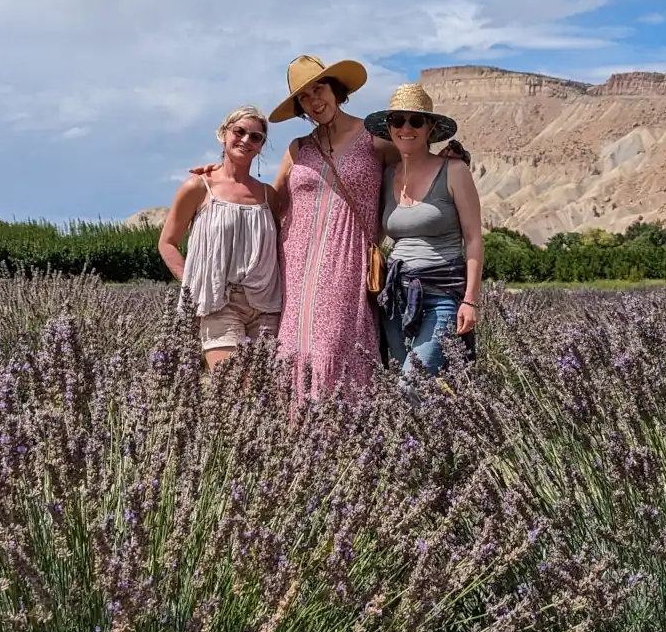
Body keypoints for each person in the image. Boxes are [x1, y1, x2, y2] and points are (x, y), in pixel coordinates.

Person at [190, 55, 468, 398]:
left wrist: (452, 157)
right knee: (292, 351)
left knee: (336, 343)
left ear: (336, 89)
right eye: (304, 96)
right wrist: (222, 176)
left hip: (347, 263)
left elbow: (418, 166)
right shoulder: (298, 148)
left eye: (318, 89)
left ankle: (345, 436)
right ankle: (296, 440)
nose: (314, 101)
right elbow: (269, 203)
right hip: (294, 265)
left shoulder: (376, 142)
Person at [366, 83, 483, 381]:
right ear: (389, 128)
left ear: (430, 127)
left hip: (441, 296)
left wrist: (470, 300)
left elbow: (473, 239)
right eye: (398, 121)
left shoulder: (454, 172)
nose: (406, 128)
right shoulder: (389, 175)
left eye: (416, 121)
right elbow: (377, 234)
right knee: (409, 388)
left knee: (412, 384)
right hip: (395, 297)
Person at [158, 105, 283, 369]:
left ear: (261, 146)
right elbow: (167, 243)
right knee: (229, 389)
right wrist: (193, 283)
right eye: (239, 131)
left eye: (256, 136)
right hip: (219, 303)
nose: (246, 140)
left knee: (264, 394)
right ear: (223, 134)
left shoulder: (267, 195)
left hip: (266, 306)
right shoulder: (198, 187)